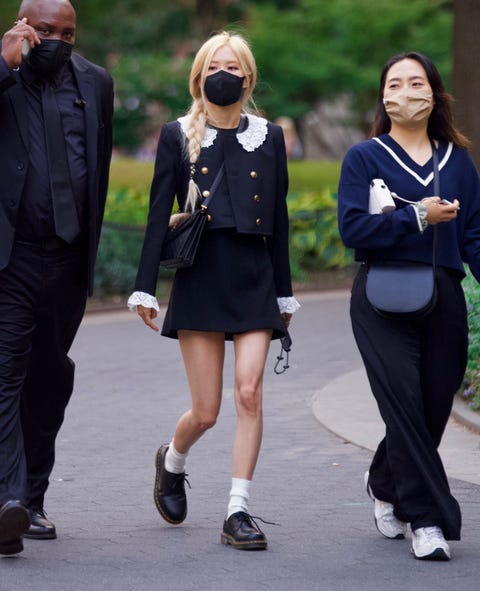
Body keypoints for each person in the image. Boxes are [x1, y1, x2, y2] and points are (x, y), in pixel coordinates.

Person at [128, 31, 299, 550]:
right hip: (201, 274)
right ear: (199, 76)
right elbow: (159, 213)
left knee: (249, 393)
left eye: (231, 66)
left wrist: (285, 294)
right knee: (207, 411)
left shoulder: (269, 137)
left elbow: (281, 218)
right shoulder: (178, 134)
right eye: (212, 66)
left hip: (253, 278)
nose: (221, 74)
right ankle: (172, 460)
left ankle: (238, 510)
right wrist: (144, 289)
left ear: (247, 78)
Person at [338, 51, 480, 561]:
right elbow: (353, 229)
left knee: (430, 411)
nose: (406, 91)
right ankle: (428, 520)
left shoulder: (458, 161)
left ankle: (383, 481)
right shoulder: (364, 158)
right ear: (383, 96)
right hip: (380, 299)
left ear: (434, 93)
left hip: (442, 296)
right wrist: (417, 216)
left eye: (416, 82)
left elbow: (476, 236)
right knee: (401, 403)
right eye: (395, 82)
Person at [0, 0, 113, 555]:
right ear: (23, 25)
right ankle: (5, 502)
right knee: (5, 375)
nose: (57, 40)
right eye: (46, 30)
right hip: (10, 259)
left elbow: (100, 167)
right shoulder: (5, 71)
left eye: (67, 32)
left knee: (49, 378)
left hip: (67, 260)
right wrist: (4, 64)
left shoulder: (95, 83)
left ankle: (32, 498)